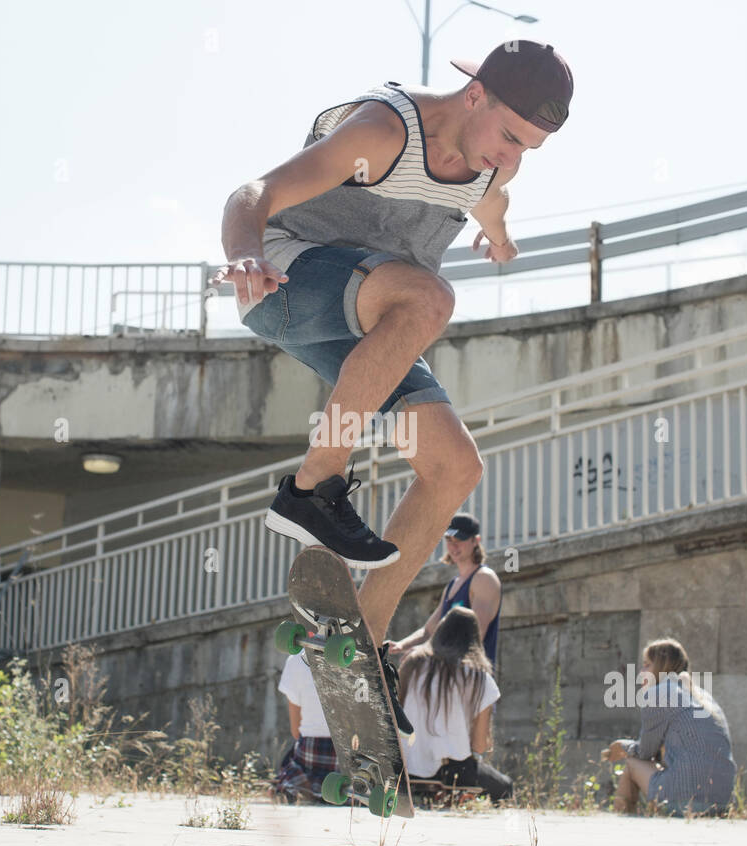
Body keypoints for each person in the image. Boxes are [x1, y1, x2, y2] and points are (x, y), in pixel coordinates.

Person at [213, 42, 573, 728]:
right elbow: (252, 193)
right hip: (289, 288)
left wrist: (500, 239)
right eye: (508, 136)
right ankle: (312, 488)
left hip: (369, 334)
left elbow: (493, 203)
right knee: (430, 299)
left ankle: (360, 642)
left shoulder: (491, 166)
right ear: (475, 96)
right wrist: (245, 255)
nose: (511, 156)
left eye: (529, 147)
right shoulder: (386, 132)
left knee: (454, 467)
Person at [602, 638, 736, 816]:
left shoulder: (659, 693)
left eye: (646, 665)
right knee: (662, 768)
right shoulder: (703, 697)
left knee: (632, 764)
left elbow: (644, 753)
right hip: (722, 804)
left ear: (662, 668)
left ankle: (620, 823)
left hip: (684, 802)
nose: (641, 673)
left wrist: (622, 746)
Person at [398, 606, 512, 803]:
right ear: (474, 640)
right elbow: (479, 744)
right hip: (453, 774)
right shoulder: (480, 679)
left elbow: (395, 715)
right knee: (505, 787)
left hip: (405, 770)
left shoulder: (411, 665)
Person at [392, 512, 501, 667]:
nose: (453, 545)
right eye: (449, 539)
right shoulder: (453, 585)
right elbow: (428, 632)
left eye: (460, 539)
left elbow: (474, 636)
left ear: (475, 540)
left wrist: (424, 650)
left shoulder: (484, 579)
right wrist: (401, 645)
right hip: (449, 679)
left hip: (474, 680)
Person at [271, 651, 339, 803]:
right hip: (347, 760)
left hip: (311, 755)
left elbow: (296, 730)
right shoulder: (362, 657)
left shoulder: (296, 660)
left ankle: (303, 789)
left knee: (289, 761)